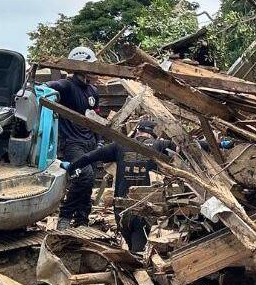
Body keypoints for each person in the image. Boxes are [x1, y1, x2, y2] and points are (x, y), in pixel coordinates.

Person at [62, 120, 173, 253]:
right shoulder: (161, 145)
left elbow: (88, 157)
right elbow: (193, 146)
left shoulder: (119, 146)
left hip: (121, 210)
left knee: (131, 243)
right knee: (138, 252)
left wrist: (71, 167)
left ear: (137, 131)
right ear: (154, 134)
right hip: (144, 209)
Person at [47, 46, 101, 229]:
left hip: (90, 143)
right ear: (81, 67)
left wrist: (98, 140)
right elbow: (45, 89)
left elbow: (95, 118)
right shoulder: (66, 86)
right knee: (84, 176)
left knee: (89, 181)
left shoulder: (94, 91)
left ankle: (82, 220)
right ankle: (65, 217)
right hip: (72, 143)